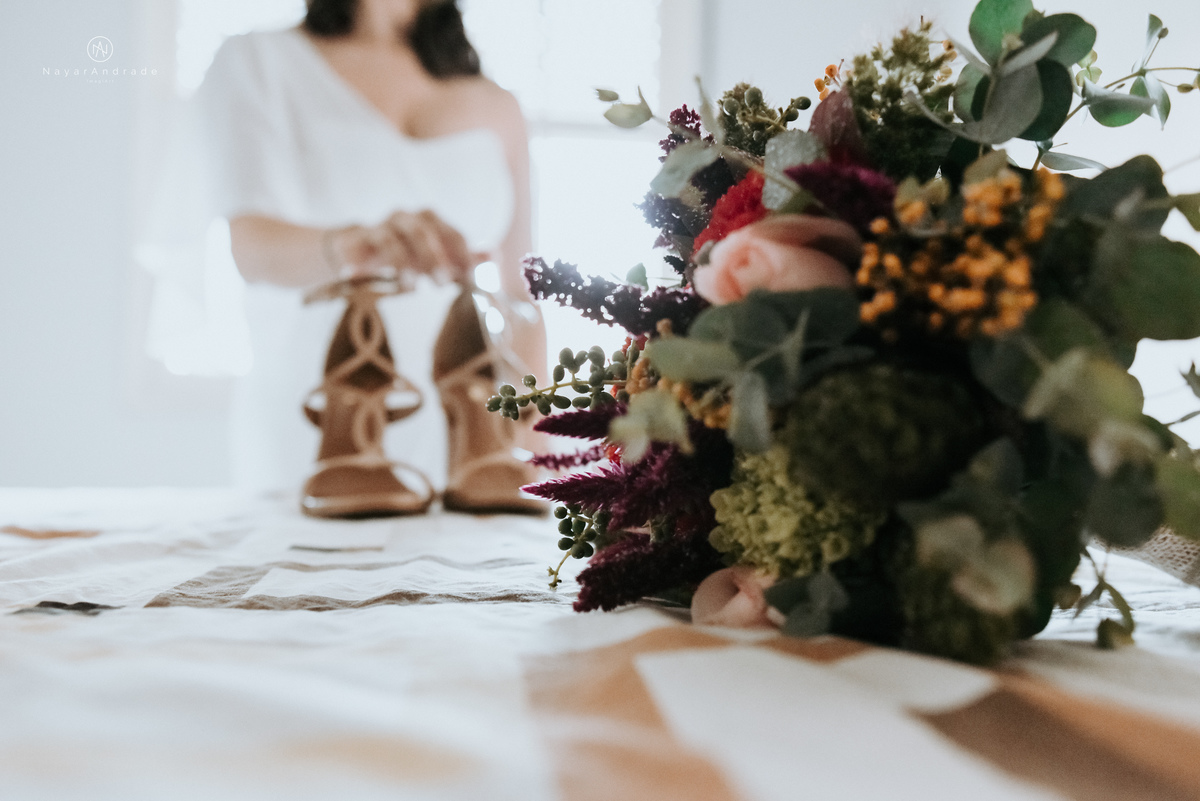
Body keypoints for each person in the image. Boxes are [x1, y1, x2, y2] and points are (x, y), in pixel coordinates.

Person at [144, 0, 544, 512]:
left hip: (477, 441)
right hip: (325, 423)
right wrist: (351, 245)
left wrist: (536, 448)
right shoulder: (259, 60)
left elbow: (522, 296)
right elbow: (252, 249)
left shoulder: (498, 104)